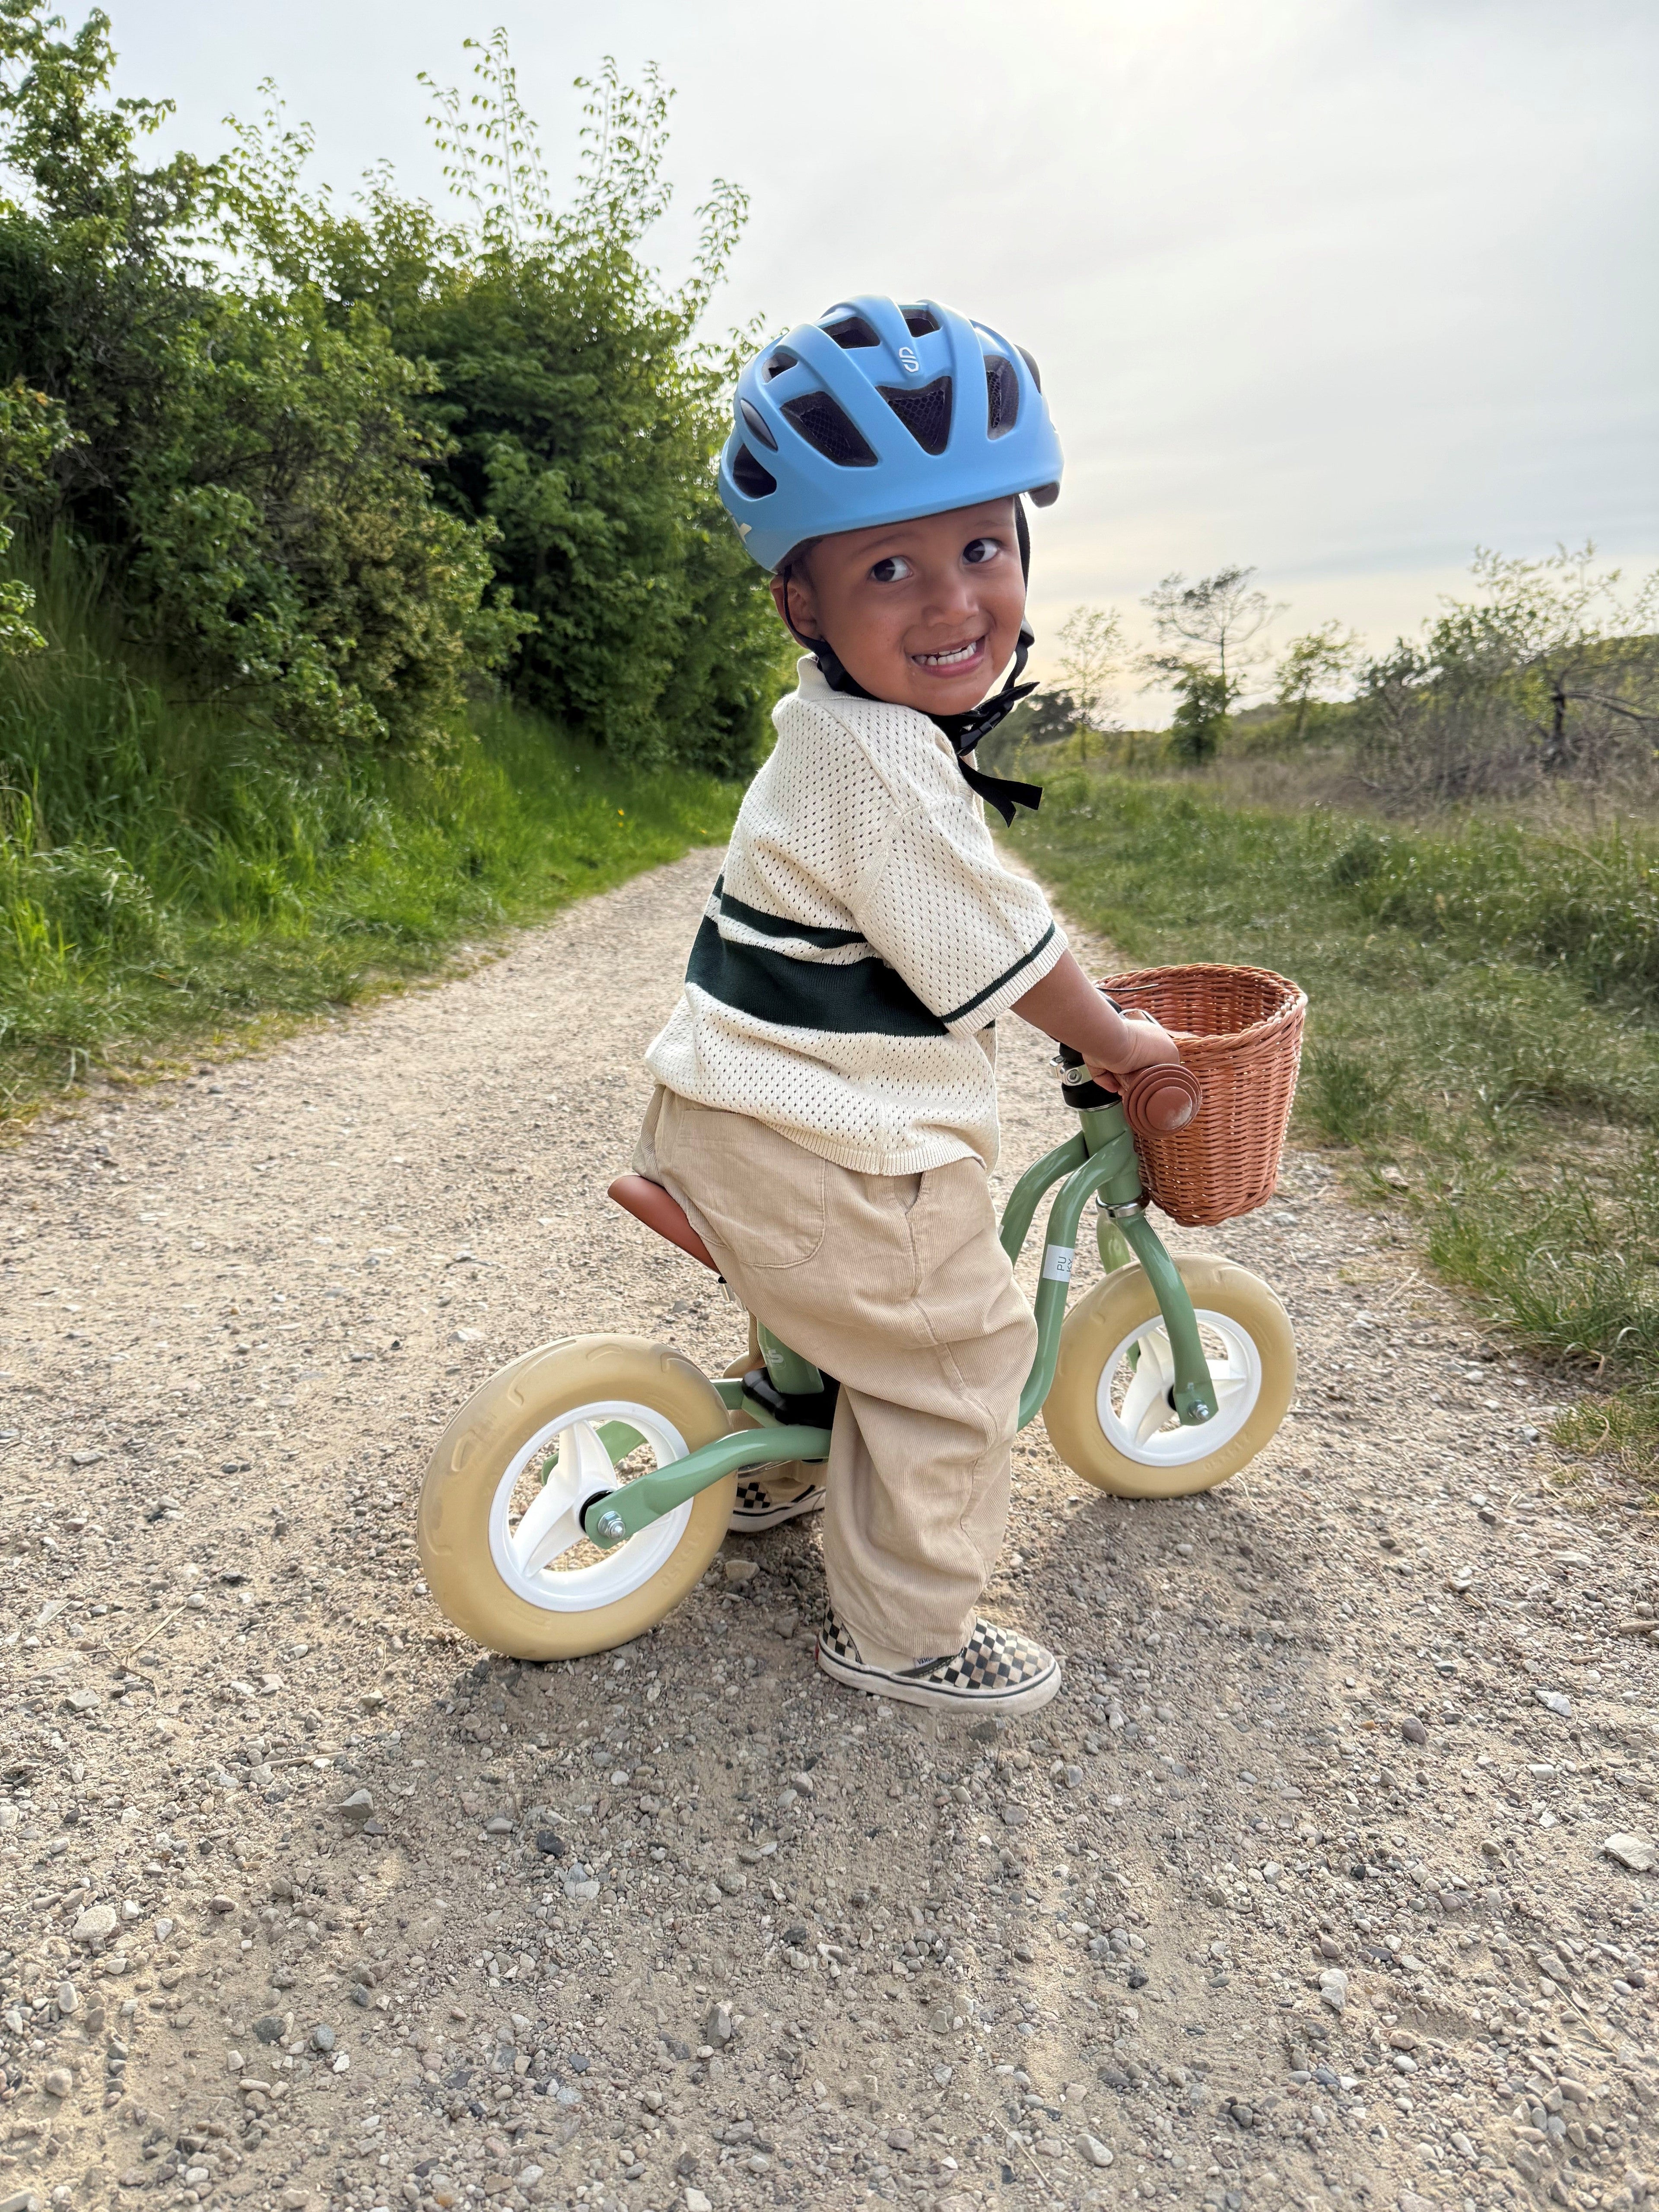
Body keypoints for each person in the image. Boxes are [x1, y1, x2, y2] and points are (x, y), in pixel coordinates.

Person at [632, 296, 1179, 1714]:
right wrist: (1119, 1042)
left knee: (873, 1298)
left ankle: (788, 1435)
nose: (950, 603)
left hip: (737, 1110)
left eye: (982, 549)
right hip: (807, 1143)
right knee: (965, 1350)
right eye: (891, 567)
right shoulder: (881, 762)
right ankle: (909, 1634)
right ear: (803, 605)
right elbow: (1002, 945)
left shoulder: (844, 733)